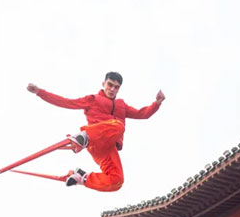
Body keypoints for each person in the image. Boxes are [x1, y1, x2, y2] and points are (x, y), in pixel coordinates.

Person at [27, 72, 165, 191]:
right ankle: (84, 137)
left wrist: (157, 103)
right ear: (103, 84)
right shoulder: (93, 100)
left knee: (117, 180)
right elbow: (67, 102)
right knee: (118, 125)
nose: (112, 89)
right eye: (110, 85)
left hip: (108, 147)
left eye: (116, 87)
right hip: (96, 140)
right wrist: (40, 92)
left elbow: (142, 114)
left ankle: (81, 177)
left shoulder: (122, 106)